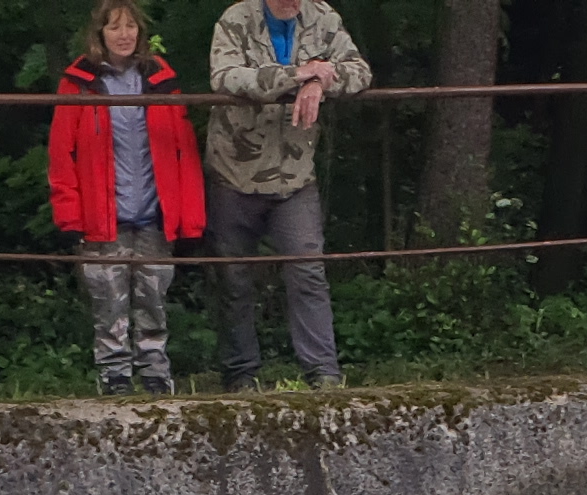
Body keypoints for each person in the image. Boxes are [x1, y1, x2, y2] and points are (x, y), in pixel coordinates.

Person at [202, 0, 371, 388]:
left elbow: (360, 71)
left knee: (308, 270)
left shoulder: (322, 16)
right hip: (234, 172)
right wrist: (297, 74)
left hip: (295, 174)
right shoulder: (236, 19)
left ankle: (323, 373)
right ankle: (240, 375)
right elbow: (225, 77)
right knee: (232, 278)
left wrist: (319, 82)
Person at [49, 1, 205, 396]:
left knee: (154, 300)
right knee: (108, 304)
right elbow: (61, 153)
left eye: (130, 26)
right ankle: (114, 376)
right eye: (115, 27)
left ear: (141, 31)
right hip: (102, 217)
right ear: (100, 33)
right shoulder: (78, 82)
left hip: (154, 213)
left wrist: (190, 219)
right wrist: (68, 215)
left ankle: (155, 374)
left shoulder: (162, 79)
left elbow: (184, 153)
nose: (124, 35)